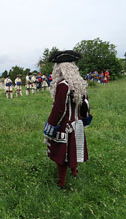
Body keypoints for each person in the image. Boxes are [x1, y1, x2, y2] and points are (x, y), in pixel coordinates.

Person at [43, 50, 93, 188]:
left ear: (59, 69)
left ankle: (62, 182)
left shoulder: (63, 85)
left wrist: (50, 126)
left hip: (65, 125)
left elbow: (59, 109)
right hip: (77, 123)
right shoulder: (79, 83)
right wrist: (83, 118)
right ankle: (74, 171)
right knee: (74, 149)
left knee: (62, 153)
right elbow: (86, 105)